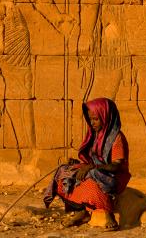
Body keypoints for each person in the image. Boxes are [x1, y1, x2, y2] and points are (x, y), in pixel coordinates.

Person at [44, 98, 131, 229]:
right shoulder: (95, 134)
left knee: (92, 176)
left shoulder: (117, 138)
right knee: (64, 171)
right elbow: (91, 160)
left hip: (112, 177)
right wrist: (78, 164)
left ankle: (108, 214)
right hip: (94, 170)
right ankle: (81, 212)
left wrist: (92, 167)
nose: (92, 123)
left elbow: (116, 166)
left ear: (106, 116)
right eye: (90, 119)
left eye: (96, 119)